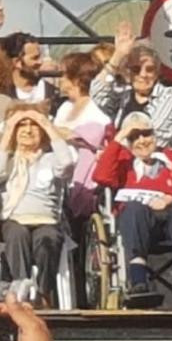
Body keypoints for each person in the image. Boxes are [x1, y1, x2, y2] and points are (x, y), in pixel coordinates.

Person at [92, 111, 172, 303]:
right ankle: (138, 280)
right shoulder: (123, 161)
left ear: (155, 135)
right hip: (140, 223)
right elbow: (101, 177)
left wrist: (168, 200)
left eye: (146, 133)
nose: (142, 140)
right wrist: (119, 138)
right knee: (133, 208)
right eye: (134, 136)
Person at [0, 104, 74, 305]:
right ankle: (20, 287)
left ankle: (44, 293)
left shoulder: (51, 159)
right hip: (15, 219)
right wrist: (9, 129)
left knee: (47, 239)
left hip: (46, 220)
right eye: (22, 126)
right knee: (17, 234)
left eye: (33, 126)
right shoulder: (6, 159)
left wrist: (45, 122)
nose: (27, 130)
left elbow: (67, 163)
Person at [51, 51, 111, 220]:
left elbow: (96, 139)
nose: (60, 78)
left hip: (87, 176)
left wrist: (69, 134)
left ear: (76, 78)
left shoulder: (96, 107)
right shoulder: (64, 107)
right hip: (62, 175)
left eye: (64, 74)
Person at [93, 42, 172, 150]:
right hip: (124, 163)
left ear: (157, 73)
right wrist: (117, 56)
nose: (143, 75)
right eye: (136, 69)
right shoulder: (122, 98)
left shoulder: (169, 95)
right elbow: (97, 93)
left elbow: (157, 136)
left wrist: (114, 149)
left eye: (149, 69)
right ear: (127, 72)